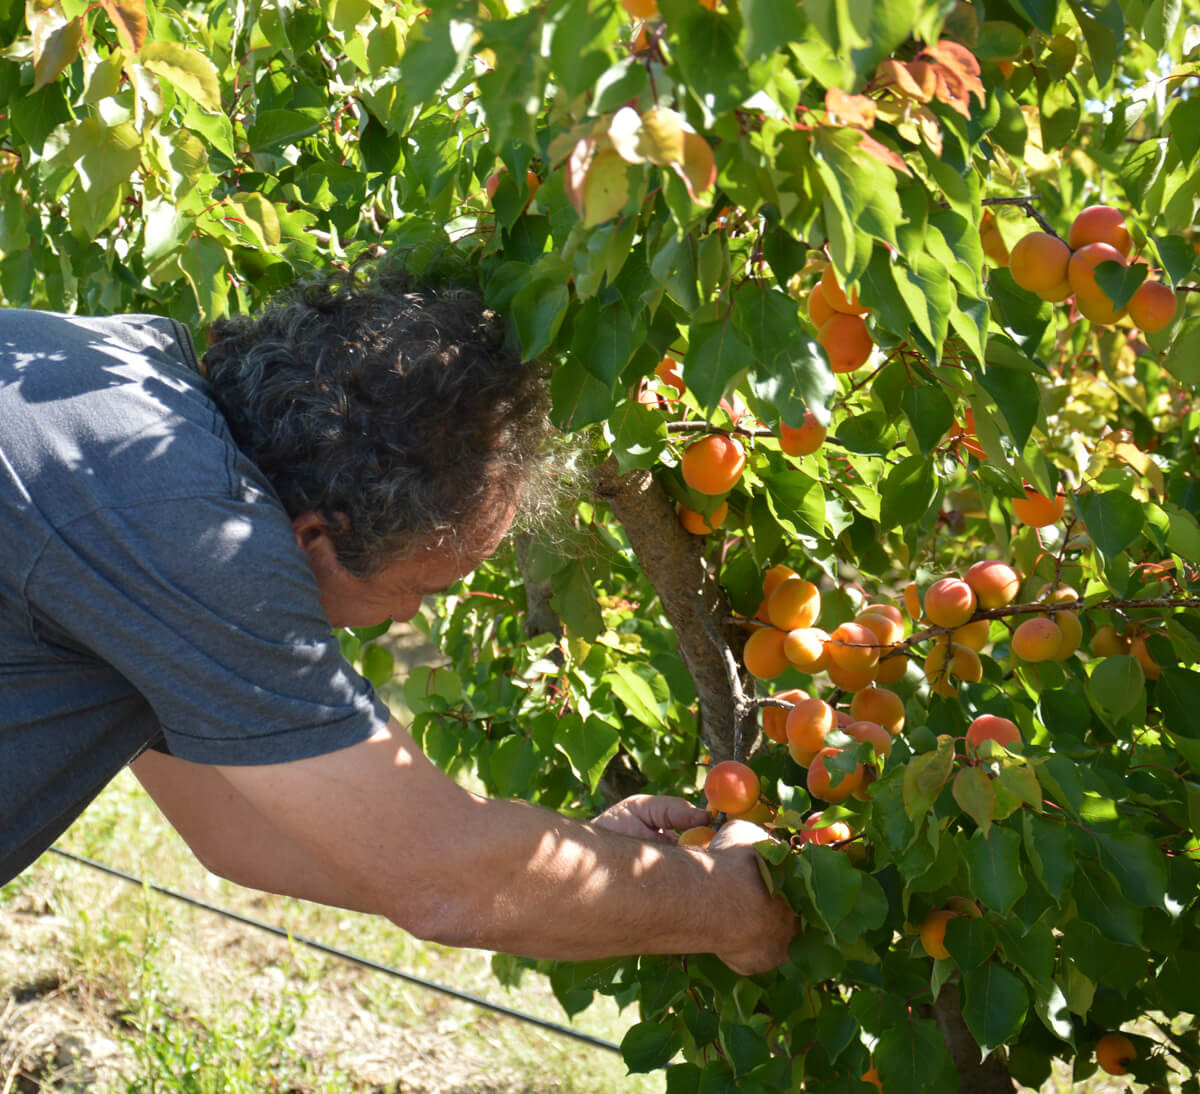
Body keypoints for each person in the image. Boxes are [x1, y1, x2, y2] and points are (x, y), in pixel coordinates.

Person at [0, 264, 792, 975]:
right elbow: (440, 883)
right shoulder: (205, 540)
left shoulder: (127, 383)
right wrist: (731, 905)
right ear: (314, 537)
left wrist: (595, 868)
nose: (411, 616)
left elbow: (234, 826)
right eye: (421, 587)